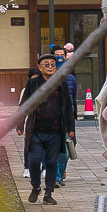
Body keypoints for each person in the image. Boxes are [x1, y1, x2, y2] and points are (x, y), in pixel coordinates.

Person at [19, 55, 69, 203]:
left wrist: (70, 127)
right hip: (35, 130)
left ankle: (48, 194)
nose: (50, 66)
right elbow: (24, 105)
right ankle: (35, 187)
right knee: (34, 161)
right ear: (40, 68)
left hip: (55, 131)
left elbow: (67, 106)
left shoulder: (61, 83)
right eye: (46, 64)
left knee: (52, 162)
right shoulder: (33, 83)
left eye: (53, 64)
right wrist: (20, 124)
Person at [54, 44, 78, 185]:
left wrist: (73, 117)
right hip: (51, 118)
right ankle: (55, 176)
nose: (59, 58)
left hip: (67, 117)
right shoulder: (45, 79)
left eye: (61, 55)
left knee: (67, 150)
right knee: (53, 149)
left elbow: (72, 99)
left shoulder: (70, 78)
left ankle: (60, 172)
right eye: (56, 55)